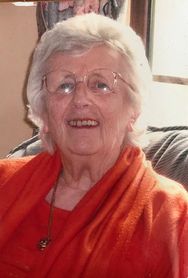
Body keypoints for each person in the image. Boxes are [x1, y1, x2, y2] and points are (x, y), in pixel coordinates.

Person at [0, 13, 187, 278]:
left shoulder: (170, 216)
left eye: (101, 84)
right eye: (64, 85)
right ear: (44, 110)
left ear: (133, 108)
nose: (80, 99)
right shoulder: (4, 182)